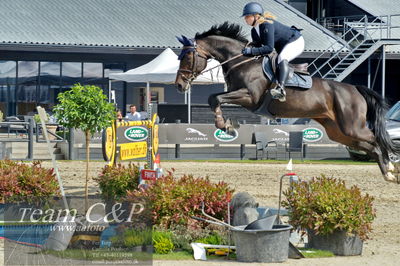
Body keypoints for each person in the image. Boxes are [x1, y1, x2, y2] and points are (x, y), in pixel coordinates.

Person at [241, 2, 305, 102]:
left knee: (282, 57)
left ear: (256, 16)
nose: (245, 19)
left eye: (247, 16)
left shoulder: (267, 24)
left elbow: (269, 48)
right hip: (283, 46)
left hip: (296, 41)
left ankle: (281, 88)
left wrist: (251, 51)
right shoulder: (254, 31)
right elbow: (258, 48)